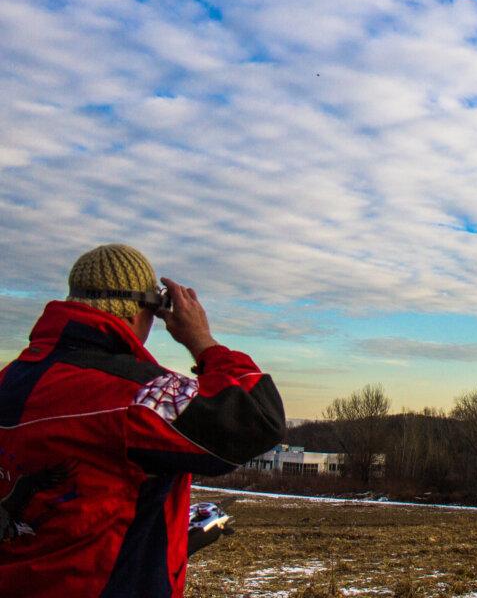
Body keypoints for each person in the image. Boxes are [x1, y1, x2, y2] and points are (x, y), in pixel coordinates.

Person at [0, 244, 286, 597]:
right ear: (141, 311)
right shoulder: (136, 397)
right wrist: (202, 341)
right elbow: (259, 418)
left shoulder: (9, 380)